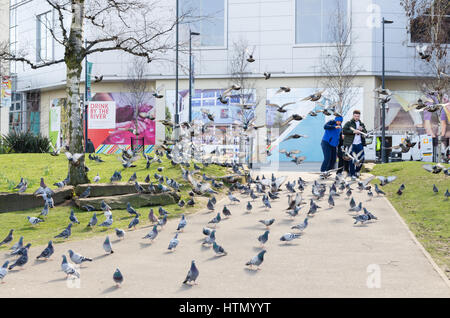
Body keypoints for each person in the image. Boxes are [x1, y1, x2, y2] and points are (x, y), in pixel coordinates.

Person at [343, 110, 367, 180]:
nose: (357, 117)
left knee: (362, 158)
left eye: (358, 116)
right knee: (352, 160)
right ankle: (352, 174)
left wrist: (361, 130)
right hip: (351, 144)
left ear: (359, 116)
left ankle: (357, 171)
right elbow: (344, 131)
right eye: (355, 116)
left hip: (359, 144)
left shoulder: (361, 124)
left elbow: (365, 132)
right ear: (353, 115)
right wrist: (353, 131)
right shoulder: (349, 123)